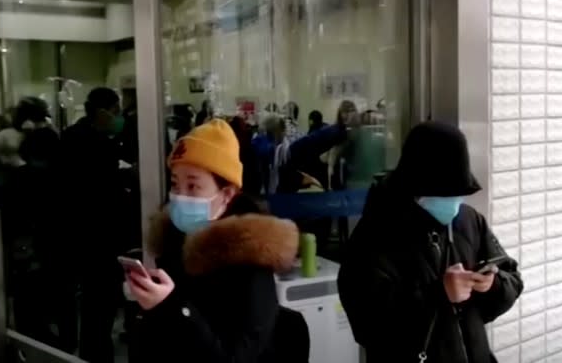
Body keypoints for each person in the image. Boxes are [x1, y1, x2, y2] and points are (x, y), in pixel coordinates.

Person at [337, 121, 523, 363]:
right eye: (446, 192)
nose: (455, 201)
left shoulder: (469, 221)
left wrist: (493, 285)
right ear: (417, 186)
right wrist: (438, 295)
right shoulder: (375, 234)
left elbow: (512, 278)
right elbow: (368, 325)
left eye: (459, 191)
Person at [128, 119, 309, 363]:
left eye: (193, 186)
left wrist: (172, 308)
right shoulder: (175, 247)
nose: (180, 197)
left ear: (226, 195)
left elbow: (234, 357)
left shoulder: (250, 263)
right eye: (175, 184)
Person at [60, 87, 127, 362]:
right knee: (100, 305)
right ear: (102, 112)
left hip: (79, 235)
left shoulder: (71, 137)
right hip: (99, 237)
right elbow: (103, 191)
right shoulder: (97, 144)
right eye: (116, 111)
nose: (119, 117)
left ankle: (91, 351)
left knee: (91, 306)